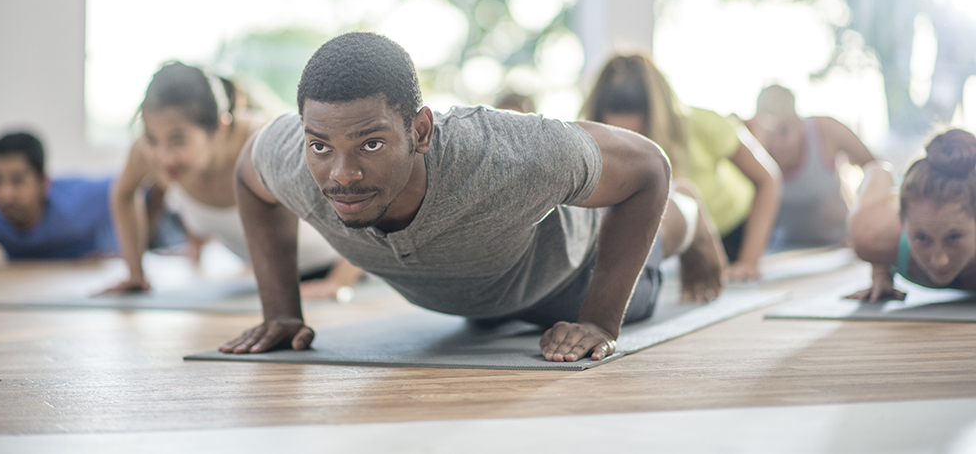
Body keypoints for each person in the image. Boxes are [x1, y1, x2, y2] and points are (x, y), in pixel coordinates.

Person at [219, 32, 726, 362]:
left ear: (420, 130)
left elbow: (648, 167)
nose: (343, 174)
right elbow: (247, 175)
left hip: (571, 276)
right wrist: (281, 310)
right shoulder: (289, 155)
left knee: (663, 228)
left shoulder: (507, 154)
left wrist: (598, 320)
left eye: (371, 144)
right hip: (478, 293)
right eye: (321, 146)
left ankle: (691, 211)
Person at [107, 61, 363, 298]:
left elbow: (360, 195)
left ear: (220, 127)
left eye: (178, 140)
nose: (163, 157)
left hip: (344, 267)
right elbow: (124, 195)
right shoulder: (150, 153)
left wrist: (339, 282)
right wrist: (135, 273)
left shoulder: (266, 142)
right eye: (151, 138)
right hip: (273, 281)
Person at [581, 52, 781, 282]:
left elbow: (768, 178)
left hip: (737, 232)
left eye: (639, 135)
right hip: (683, 241)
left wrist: (748, 262)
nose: (630, 148)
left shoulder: (705, 124)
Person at [846, 129, 976, 301]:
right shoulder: (871, 235)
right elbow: (876, 170)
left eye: (954, 237)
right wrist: (880, 272)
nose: (939, 260)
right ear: (902, 221)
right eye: (921, 238)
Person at [746, 84, 876, 249]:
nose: (777, 144)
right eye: (769, 135)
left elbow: (877, 170)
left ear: (798, 123)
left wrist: (864, 225)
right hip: (783, 252)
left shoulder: (825, 131)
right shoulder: (754, 148)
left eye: (783, 131)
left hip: (840, 245)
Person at [0, 132, 118, 261]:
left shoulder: (77, 200)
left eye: (18, 180)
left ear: (44, 182)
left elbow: (130, 186)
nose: (6, 194)